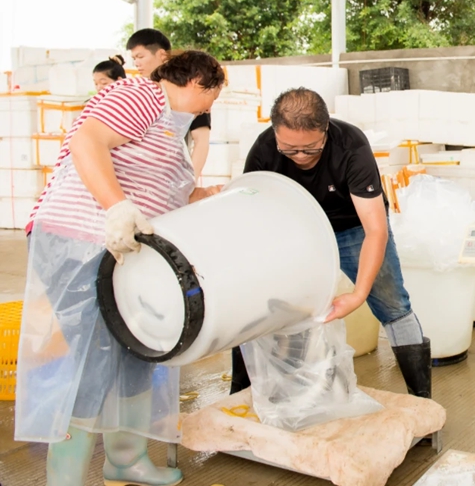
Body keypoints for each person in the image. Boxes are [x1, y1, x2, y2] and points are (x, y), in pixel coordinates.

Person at [16, 51, 226, 486]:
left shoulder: (171, 130)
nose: (212, 106)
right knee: (94, 359)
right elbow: (87, 142)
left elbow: (158, 192)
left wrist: (202, 197)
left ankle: (126, 460)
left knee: (138, 353)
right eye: (214, 95)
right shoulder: (141, 93)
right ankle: (65, 478)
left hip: (124, 252)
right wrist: (117, 207)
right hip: (81, 239)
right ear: (198, 81)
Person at [229, 88, 431, 400]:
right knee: (263, 309)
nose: (300, 157)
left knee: (393, 304)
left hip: (354, 227)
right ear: (275, 133)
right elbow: (256, 216)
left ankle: (421, 400)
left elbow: (376, 230)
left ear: (325, 129)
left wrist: (359, 294)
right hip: (298, 231)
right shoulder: (264, 150)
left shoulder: (351, 145)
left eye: (310, 149)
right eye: (289, 150)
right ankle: (240, 397)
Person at [126, 28, 211, 180]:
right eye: (134, 58)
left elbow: (201, 141)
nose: (137, 63)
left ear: (162, 54)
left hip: (173, 180)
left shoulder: (186, 88)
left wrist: (189, 183)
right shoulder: (140, 92)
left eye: (140, 56)